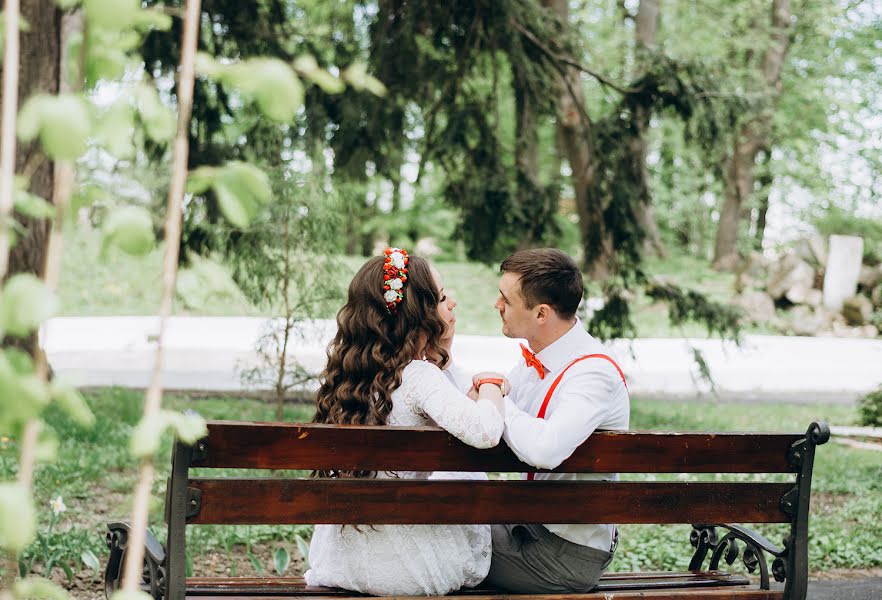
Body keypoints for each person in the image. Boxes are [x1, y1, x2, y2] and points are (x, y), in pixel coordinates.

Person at [304, 247, 509, 596]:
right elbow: (486, 431)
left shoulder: (347, 380)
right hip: (407, 568)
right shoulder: (417, 377)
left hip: (343, 561)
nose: (454, 303)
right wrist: (491, 386)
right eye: (443, 298)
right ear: (420, 316)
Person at [480, 248, 630, 593]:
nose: (496, 305)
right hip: (529, 528)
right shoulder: (539, 359)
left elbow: (545, 450)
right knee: (436, 529)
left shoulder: (592, 373)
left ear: (541, 313)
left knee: (437, 544)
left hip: (562, 555)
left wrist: (498, 398)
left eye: (506, 299)